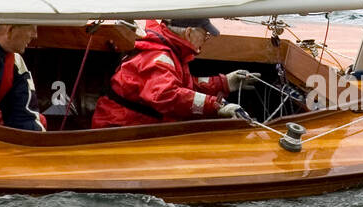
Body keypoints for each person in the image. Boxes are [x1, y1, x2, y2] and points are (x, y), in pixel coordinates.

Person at [92, 18, 252, 128]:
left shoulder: (169, 52)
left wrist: (224, 83)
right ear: (189, 33)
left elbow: (184, 86)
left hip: (132, 124)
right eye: (205, 35)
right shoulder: (160, 57)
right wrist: (215, 105)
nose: (205, 40)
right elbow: (167, 95)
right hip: (119, 131)